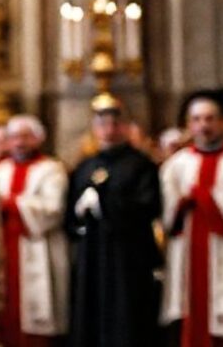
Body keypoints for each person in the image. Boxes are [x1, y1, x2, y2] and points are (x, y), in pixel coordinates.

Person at [160, 91, 223, 345]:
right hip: (189, 252)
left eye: (210, 119)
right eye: (196, 119)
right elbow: (169, 211)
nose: (203, 126)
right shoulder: (177, 164)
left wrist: (206, 196)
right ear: (188, 125)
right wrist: (182, 203)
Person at [66, 95, 162, 347]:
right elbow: (70, 215)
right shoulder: (85, 166)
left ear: (125, 127)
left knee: (125, 313)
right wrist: (79, 211)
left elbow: (149, 206)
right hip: (92, 254)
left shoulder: (141, 165)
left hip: (127, 254)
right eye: (102, 124)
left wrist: (105, 205)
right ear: (94, 128)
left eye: (114, 124)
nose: (108, 130)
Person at [0, 114, 69, 347]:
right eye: (13, 137)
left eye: (25, 137)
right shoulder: (0, 170)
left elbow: (52, 209)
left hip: (36, 245)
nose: (19, 143)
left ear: (38, 139)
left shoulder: (51, 169)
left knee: (36, 310)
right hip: (3, 246)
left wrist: (11, 202)